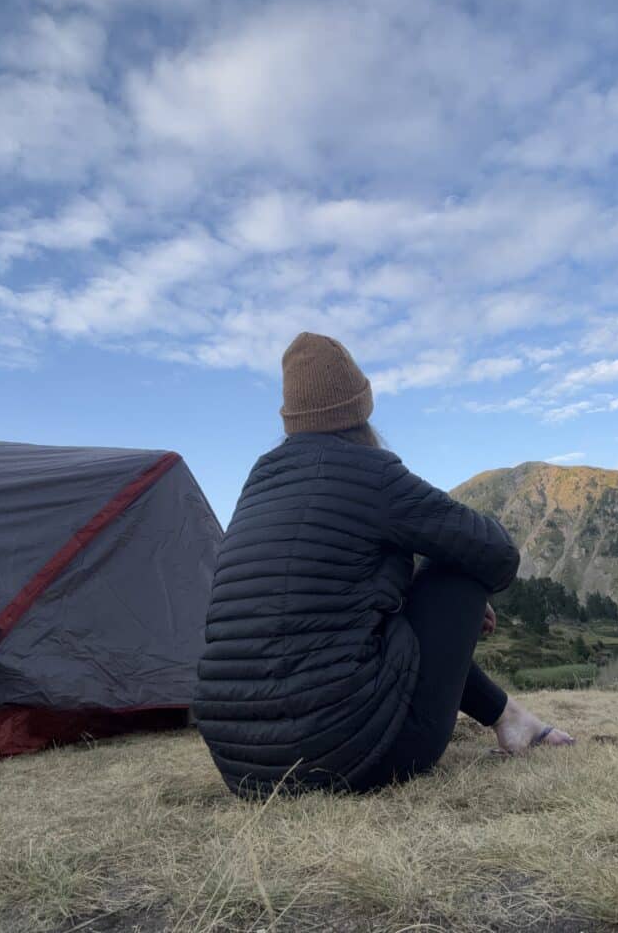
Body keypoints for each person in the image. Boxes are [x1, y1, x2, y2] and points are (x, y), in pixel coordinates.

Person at [194, 332, 574, 798]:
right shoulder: (371, 473)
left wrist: (420, 601)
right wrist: (450, 599)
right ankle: (510, 718)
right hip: (353, 756)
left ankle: (508, 717)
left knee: (382, 610)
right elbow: (496, 554)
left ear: (291, 419)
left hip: (242, 766)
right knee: (457, 569)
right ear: (361, 408)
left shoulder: (260, 480)